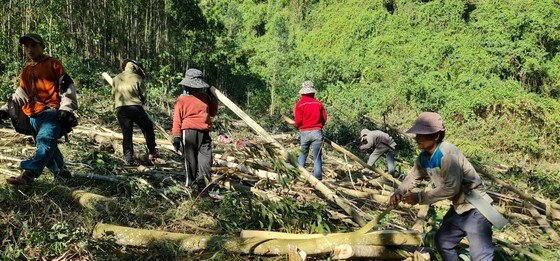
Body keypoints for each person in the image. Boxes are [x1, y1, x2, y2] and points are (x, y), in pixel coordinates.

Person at [389, 112, 495, 261]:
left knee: (480, 256)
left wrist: (419, 197)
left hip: (476, 208)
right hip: (460, 207)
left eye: (422, 134)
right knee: (444, 241)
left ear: (436, 136)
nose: (417, 138)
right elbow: (413, 176)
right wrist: (399, 191)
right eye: (417, 134)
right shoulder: (425, 157)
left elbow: (451, 188)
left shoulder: (447, 155)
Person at [6, 33, 78, 185]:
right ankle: (63, 176)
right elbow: (20, 94)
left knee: (45, 143)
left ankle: (28, 174)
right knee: (48, 149)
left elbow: (66, 85)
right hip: (31, 116)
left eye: (33, 45)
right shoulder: (26, 70)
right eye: (26, 46)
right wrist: (5, 109)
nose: (29, 49)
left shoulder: (53, 64)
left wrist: (66, 107)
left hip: (50, 113)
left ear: (42, 47)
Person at [172, 68, 218, 191]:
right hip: (203, 131)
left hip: (189, 132)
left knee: (190, 159)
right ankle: (202, 183)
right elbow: (213, 113)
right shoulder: (205, 97)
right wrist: (213, 99)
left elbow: (177, 119)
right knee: (205, 158)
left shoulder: (182, 99)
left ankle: (192, 183)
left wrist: (176, 136)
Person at [112, 59, 157, 165]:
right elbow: (144, 96)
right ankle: (152, 152)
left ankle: (129, 158)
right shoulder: (138, 78)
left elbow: (113, 95)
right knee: (147, 128)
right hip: (135, 107)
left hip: (120, 109)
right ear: (135, 68)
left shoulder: (116, 78)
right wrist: (141, 101)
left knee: (126, 133)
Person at [293, 81, 327, 180]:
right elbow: (324, 118)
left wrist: (296, 125)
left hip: (305, 133)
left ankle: (300, 175)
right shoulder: (318, 104)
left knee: (303, 154)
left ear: (302, 93)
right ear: (313, 92)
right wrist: (319, 126)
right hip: (317, 132)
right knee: (317, 157)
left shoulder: (299, 104)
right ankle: (318, 179)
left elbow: (298, 120)